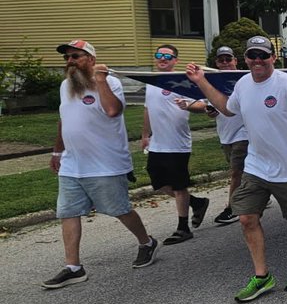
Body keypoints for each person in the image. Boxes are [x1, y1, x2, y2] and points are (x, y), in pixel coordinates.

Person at [186, 35, 287, 302]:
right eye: (252, 56)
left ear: (273, 58)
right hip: (257, 166)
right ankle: (262, 276)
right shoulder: (243, 84)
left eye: (263, 56)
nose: (257, 61)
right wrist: (201, 82)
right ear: (245, 59)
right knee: (246, 217)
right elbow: (226, 108)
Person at [42, 40, 159, 288]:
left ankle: (146, 242)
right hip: (73, 163)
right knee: (68, 212)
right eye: (67, 58)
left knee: (119, 209)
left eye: (76, 56)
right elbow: (64, 120)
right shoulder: (66, 86)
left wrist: (101, 81)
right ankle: (73, 267)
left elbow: (113, 111)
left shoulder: (110, 82)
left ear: (92, 60)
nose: (70, 61)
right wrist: (57, 151)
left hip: (106, 163)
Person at [141, 43, 209, 244]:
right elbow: (147, 110)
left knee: (179, 187)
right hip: (157, 143)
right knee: (159, 183)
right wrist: (145, 135)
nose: (163, 58)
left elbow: (202, 105)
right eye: (159, 55)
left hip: (177, 144)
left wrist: (187, 105)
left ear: (175, 61)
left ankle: (183, 228)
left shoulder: (181, 80)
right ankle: (197, 202)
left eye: (168, 56)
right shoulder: (151, 82)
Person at [177, 46, 247, 226]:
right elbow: (204, 104)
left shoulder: (244, 78)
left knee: (236, 172)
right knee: (244, 171)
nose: (225, 63)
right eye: (221, 60)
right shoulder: (210, 81)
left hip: (245, 132)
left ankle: (232, 209)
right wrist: (192, 106)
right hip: (225, 134)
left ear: (235, 61)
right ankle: (256, 196)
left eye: (228, 59)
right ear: (216, 62)